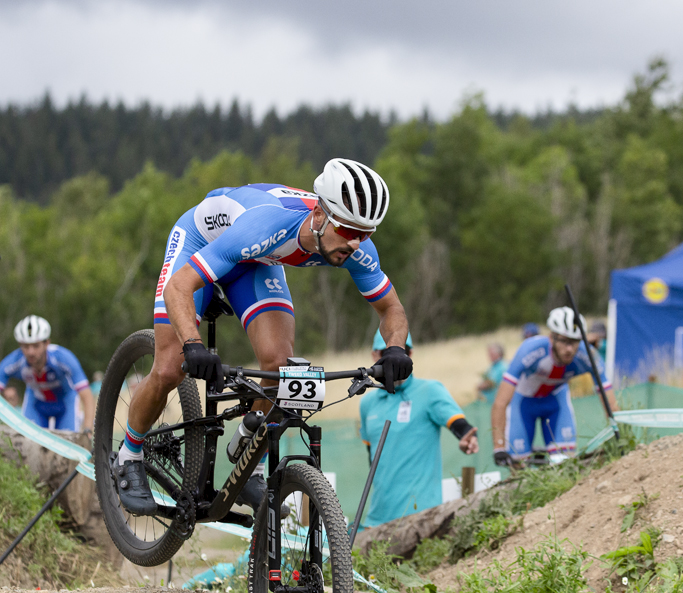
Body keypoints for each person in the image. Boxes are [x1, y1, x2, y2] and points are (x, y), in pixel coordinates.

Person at [118, 158, 413, 516]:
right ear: (320, 215)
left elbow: (392, 309)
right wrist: (193, 345)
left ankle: (249, 462)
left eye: (365, 234)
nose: (355, 243)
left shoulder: (357, 249)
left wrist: (396, 349)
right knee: (169, 367)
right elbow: (179, 286)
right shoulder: (267, 224)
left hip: (257, 261)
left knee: (281, 370)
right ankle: (129, 455)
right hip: (202, 243)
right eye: (348, 231)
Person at [359, 329, 478, 527]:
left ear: (411, 355)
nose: (394, 363)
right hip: (378, 519)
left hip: (422, 518)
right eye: (384, 355)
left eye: (401, 353)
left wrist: (467, 436)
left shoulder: (429, 390)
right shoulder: (367, 403)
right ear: (374, 356)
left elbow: (459, 424)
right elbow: (372, 459)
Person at [491, 307, 618, 465]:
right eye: (564, 341)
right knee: (518, 466)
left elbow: (607, 396)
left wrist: (620, 433)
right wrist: (499, 447)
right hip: (523, 402)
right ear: (551, 338)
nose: (570, 349)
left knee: (564, 463)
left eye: (575, 342)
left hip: (556, 402)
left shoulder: (587, 356)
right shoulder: (530, 350)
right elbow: (500, 402)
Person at [0, 315, 95, 433]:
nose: (30, 352)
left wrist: (88, 429)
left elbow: (86, 395)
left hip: (65, 404)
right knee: (30, 443)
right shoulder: (14, 361)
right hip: (36, 404)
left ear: (47, 343)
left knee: (67, 445)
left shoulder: (64, 358)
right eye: (25, 346)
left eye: (36, 345)